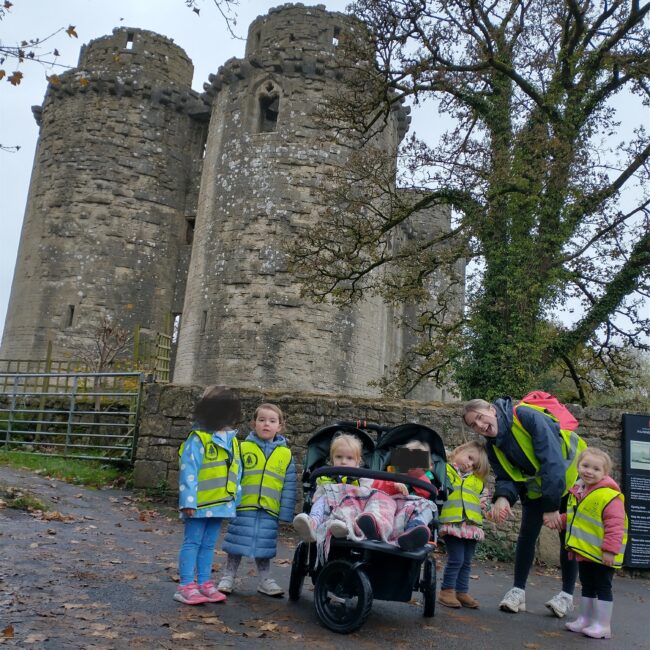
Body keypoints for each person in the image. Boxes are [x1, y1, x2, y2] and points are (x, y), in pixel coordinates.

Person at [462, 396, 586, 617]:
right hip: (538, 488)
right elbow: (506, 477)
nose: (480, 426)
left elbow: (552, 459)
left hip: (568, 481)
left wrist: (551, 506)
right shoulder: (492, 446)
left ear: (491, 409)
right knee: (526, 536)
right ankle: (517, 592)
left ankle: (566, 597)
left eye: (480, 417)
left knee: (567, 539)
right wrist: (503, 498)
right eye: (473, 424)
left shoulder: (526, 416)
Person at [293, 435, 435, 551]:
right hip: (336, 509)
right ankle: (313, 523)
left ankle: (412, 532)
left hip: (396, 510)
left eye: (349, 458)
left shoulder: (424, 477)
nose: (343, 462)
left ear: (358, 461)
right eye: (339, 457)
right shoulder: (325, 477)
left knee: (420, 506)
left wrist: (412, 477)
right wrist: (396, 480)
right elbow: (380, 485)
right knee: (326, 498)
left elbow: (382, 486)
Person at [218, 403, 297, 597]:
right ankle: (228, 575)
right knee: (236, 542)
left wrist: (285, 512)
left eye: (272, 421)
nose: (266, 424)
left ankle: (265, 579)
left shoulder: (285, 454)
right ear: (254, 424)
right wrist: (229, 502)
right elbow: (232, 475)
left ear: (280, 426)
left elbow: (289, 485)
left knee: (265, 546)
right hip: (244, 506)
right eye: (261, 420)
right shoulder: (243, 447)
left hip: (269, 509)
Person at [174, 385, 242, 605]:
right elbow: (189, 470)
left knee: (208, 545)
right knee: (192, 542)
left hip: (221, 503)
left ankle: (204, 583)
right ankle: (186, 585)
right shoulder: (198, 439)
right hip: (199, 503)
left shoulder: (232, 440)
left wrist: (234, 500)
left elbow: (236, 471)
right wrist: (188, 502)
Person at [554, 448, 627, 639]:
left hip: (603, 553)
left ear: (605, 474)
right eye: (585, 466)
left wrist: (611, 550)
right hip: (586, 551)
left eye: (596, 469)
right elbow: (576, 517)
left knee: (603, 586)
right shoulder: (579, 491)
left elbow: (615, 525)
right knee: (587, 585)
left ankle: (603, 625)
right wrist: (560, 521)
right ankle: (585, 620)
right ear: (578, 467)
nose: (589, 471)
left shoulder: (609, 496)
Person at [437, 440, 490, 609]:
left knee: (466, 561)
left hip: (471, 527)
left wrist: (487, 508)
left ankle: (461, 591)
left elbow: (484, 501)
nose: (469, 464)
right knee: (456, 559)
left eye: (474, 465)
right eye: (469, 457)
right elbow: (435, 483)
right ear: (458, 450)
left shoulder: (477, 482)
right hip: (453, 524)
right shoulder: (446, 470)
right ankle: (447, 590)